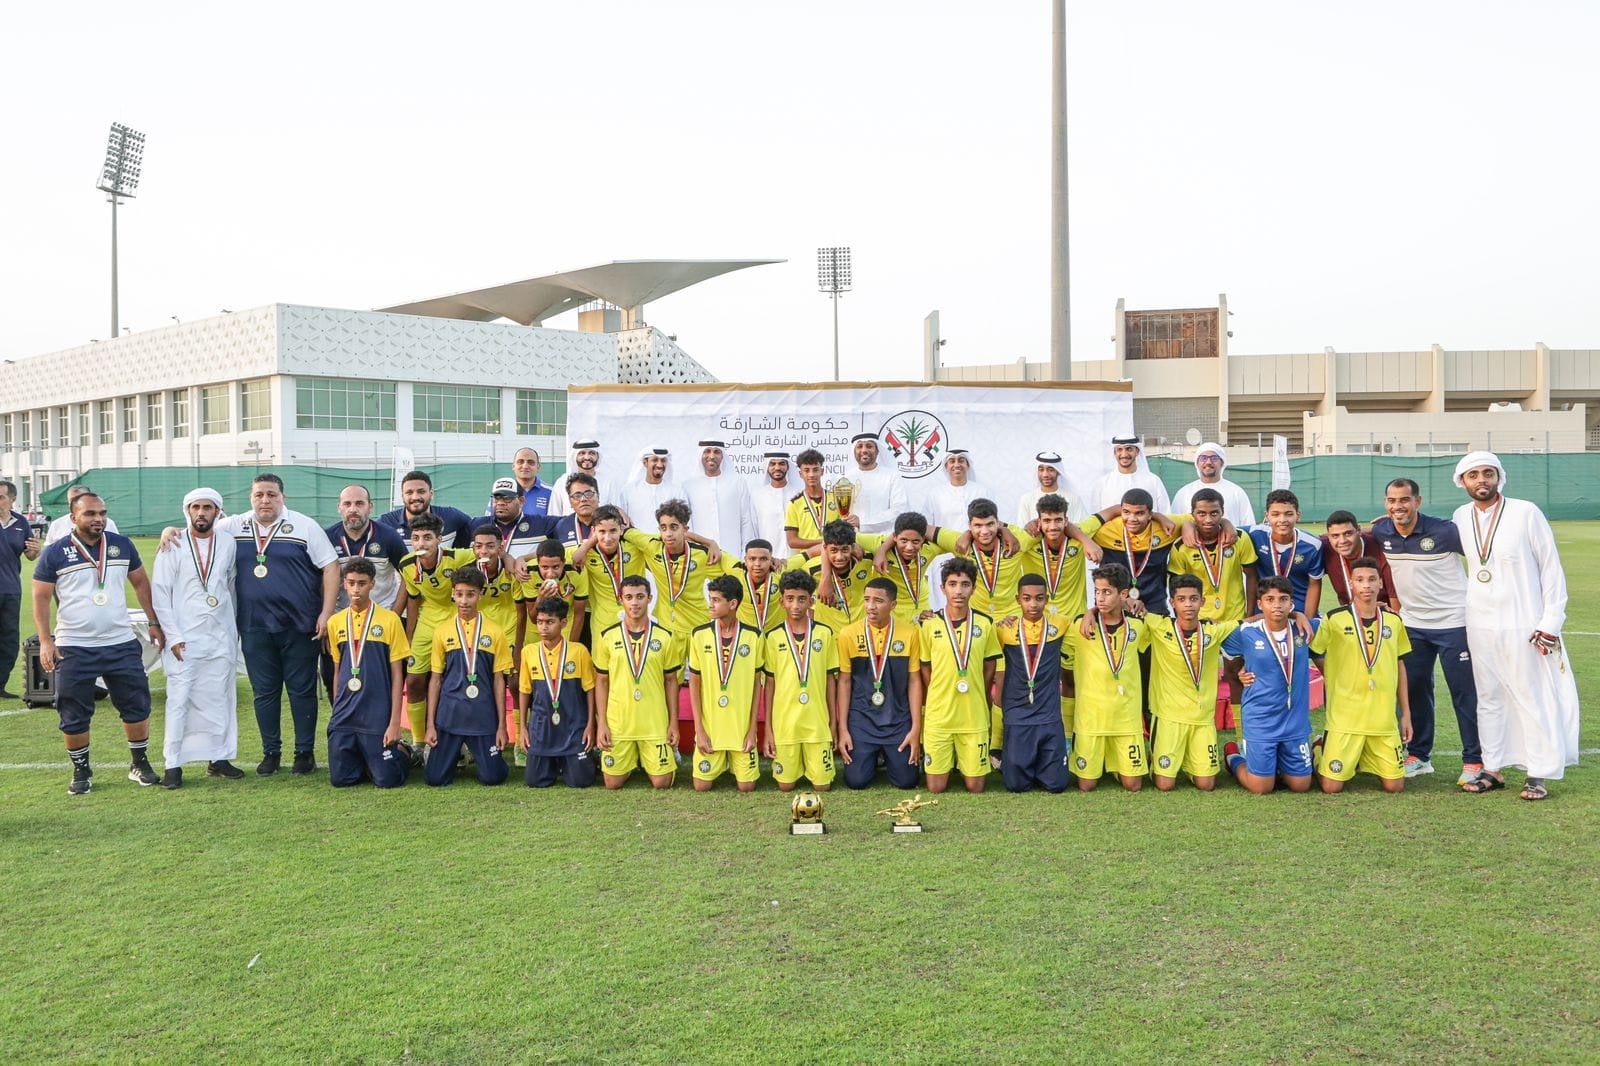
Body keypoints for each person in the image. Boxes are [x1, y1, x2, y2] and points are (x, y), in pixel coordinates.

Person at [1451, 452, 1579, 801]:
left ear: (1498, 477)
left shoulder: (1526, 512)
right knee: (1489, 697)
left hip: (1525, 622)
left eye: (1488, 474)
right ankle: (1492, 768)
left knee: (1530, 696)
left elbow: (1551, 569)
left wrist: (1550, 622)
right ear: (1462, 481)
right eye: (1473, 475)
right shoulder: (1460, 517)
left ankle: (1538, 773)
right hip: (1479, 622)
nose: (1481, 481)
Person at [205, 474, 339, 777]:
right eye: (259, 495)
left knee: (301, 690)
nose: (265, 500)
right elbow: (198, 533)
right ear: (251, 498)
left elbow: (330, 566)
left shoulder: (305, 526)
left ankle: (304, 752)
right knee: (264, 692)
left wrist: (326, 613)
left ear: (283, 498)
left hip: (300, 624)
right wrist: (171, 530)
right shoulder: (232, 527)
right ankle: (271, 752)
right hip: (253, 625)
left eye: (272, 495)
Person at [32, 492, 164, 795]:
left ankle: (139, 763)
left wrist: (154, 622)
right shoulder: (55, 552)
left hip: (120, 642)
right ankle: (81, 770)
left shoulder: (121, 545)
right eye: (90, 514)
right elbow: (40, 599)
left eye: (102, 513)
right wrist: (44, 640)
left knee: (136, 705)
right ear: (73, 517)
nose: (98, 519)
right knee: (73, 710)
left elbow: (141, 583)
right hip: (73, 645)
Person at [1371, 477, 1482, 783]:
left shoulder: (1445, 531)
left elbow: (1483, 553)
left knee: (1464, 693)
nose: (1398, 507)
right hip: (1412, 627)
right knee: (1415, 691)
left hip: (1454, 624)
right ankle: (1420, 756)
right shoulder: (1382, 531)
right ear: (1385, 504)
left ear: (1417, 502)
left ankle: (1475, 759)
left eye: (1404, 500)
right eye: (1392, 501)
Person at [151, 488, 243, 788]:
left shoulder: (228, 542)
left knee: (220, 697)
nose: (201, 513)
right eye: (195, 507)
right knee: (179, 700)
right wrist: (173, 635)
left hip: (220, 635)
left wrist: (232, 632)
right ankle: (172, 764)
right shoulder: (173, 543)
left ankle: (219, 758)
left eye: (208, 507)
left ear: (218, 511)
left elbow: (228, 585)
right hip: (184, 637)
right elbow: (161, 593)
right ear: (187, 511)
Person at [1309, 557, 1412, 794]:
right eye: (1360, 580)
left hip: (1382, 719)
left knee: (1395, 786)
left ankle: (1363, 757)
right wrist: (1334, 677)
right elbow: (1315, 651)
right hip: (1345, 718)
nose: (1366, 585)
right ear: (1351, 584)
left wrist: (1405, 713)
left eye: (1372, 580)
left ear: (1380, 585)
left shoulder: (1394, 621)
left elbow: (1400, 665)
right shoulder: (1334, 619)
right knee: (1331, 787)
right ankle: (1319, 748)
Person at [1221, 577, 1319, 794]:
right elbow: (1227, 653)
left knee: (1301, 786)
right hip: (1261, 719)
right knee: (1261, 788)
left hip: (1294, 721)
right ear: (1260, 603)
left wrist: (1298, 615)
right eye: (1270, 599)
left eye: (1283, 599)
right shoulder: (1246, 631)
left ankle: (1313, 750)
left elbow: (1338, 624)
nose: (1277, 605)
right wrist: (1239, 671)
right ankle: (1233, 756)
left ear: (1291, 603)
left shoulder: (1305, 628)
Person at [1145, 575, 1237, 792]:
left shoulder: (1213, 631)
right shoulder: (1158, 626)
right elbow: (1119, 608)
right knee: (1165, 785)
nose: (1188, 604)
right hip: (1168, 717)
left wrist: (1295, 613)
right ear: (1172, 602)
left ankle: (1215, 756)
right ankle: (1154, 759)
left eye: (1194, 599)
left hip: (1202, 719)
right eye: (1182, 599)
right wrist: (1092, 612)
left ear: (1202, 601)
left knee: (1206, 785)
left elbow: (1249, 622)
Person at [325, 559, 412, 788]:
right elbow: (337, 671)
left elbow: (397, 676)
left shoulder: (390, 620)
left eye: (362, 583)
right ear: (344, 583)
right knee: (341, 780)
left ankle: (404, 751)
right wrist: (336, 713)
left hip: (376, 713)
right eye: (351, 583)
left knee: (387, 780)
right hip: (346, 714)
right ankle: (365, 757)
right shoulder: (335, 622)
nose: (356, 589)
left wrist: (394, 723)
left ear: (372, 584)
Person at [1067, 563, 1152, 792]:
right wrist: (1090, 612)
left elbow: (1171, 629)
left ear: (1123, 594)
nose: (1100, 598)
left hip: (1126, 717)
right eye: (1097, 591)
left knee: (1133, 786)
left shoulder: (1139, 626)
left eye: (1107, 592)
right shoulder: (1080, 626)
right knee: (1086, 785)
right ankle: (1106, 761)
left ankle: (1116, 762)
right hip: (1091, 717)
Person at [399, 513, 479, 754]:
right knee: (413, 681)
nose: (421, 543)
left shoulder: (457, 557)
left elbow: (487, 552)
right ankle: (418, 741)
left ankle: (462, 741)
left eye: (427, 538)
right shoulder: (407, 564)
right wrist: (410, 637)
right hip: (426, 622)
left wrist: (509, 560)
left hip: (454, 620)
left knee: (453, 682)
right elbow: (413, 601)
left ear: (439, 539)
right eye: (416, 538)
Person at [425, 568, 512, 787]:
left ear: (480, 595)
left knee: (493, 777)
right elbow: (435, 680)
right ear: (452, 594)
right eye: (460, 594)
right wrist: (430, 725)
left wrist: (501, 726)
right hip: (450, 716)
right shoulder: (442, 631)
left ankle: (479, 754)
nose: (464, 601)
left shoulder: (495, 632)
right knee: (435, 779)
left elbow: (499, 681)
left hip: (482, 716)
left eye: (470, 594)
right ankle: (455, 753)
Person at [918, 557, 999, 794]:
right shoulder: (929, 624)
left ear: (973, 588)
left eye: (965, 584)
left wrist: (980, 692)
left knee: (975, 787)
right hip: (939, 715)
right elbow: (925, 667)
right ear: (942, 588)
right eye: (952, 584)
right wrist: (937, 691)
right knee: (935, 787)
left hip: (973, 716)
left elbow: (990, 664)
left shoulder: (984, 623)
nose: (958, 591)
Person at [593, 575, 682, 789]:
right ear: (620, 599)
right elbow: (602, 682)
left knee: (663, 783)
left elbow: (671, 682)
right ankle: (634, 759)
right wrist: (602, 723)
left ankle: (645, 757)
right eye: (629, 597)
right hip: (619, 722)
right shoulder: (607, 637)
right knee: (612, 783)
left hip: (654, 722)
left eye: (640, 597)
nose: (635, 603)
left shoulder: (665, 637)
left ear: (649, 599)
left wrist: (673, 722)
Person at [835, 578, 923, 790]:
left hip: (897, 719)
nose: (871, 606)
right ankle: (872, 755)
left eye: (878, 601)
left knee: (907, 781)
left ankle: (887, 754)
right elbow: (844, 682)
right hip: (862, 719)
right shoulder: (848, 634)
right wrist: (843, 729)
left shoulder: (910, 633)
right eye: (866, 600)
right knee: (856, 781)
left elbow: (914, 681)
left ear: (893, 605)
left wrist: (916, 728)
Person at [761, 569, 840, 792]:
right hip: (785, 724)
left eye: (802, 599)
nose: (796, 605)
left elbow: (830, 681)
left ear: (811, 601)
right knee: (786, 786)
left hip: (817, 723)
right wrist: (768, 729)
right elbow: (770, 685)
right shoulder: (773, 637)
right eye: (790, 599)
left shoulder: (825, 634)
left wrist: (832, 724)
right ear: (781, 602)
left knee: (822, 786)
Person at [993, 574, 1072, 793]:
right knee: (1016, 785)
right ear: (1018, 599)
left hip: (1048, 714)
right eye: (1027, 598)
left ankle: (1039, 763)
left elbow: (1086, 619)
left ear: (1047, 599)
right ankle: (1010, 760)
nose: (1033, 604)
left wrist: (1092, 612)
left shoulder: (1061, 625)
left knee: (1057, 785)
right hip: (1018, 713)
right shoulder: (1003, 629)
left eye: (1039, 598)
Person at [685, 575, 764, 792]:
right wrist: (699, 731)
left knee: (747, 786)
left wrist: (752, 731)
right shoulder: (699, 635)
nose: (710, 604)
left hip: (740, 729)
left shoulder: (754, 636)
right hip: (711, 728)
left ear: (732, 604)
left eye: (716, 600)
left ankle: (737, 758)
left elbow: (757, 685)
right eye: (710, 599)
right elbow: (694, 683)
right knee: (701, 786)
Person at [518, 596, 597, 788]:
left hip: (572, 726)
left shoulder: (578, 651)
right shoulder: (528, 652)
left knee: (581, 781)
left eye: (550, 622)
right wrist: (523, 728)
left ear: (563, 623)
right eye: (540, 622)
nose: (544, 627)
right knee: (534, 781)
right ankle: (555, 762)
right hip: (542, 727)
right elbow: (524, 691)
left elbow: (590, 690)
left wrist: (590, 725)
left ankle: (577, 759)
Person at [619, 499, 725, 640]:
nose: (668, 533)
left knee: (698, 663)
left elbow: (734, 573)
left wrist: (710, 542)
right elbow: (624, 529)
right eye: (663, 528)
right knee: (670, 663)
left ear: (685, 530)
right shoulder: (652, 545)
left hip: (698, 624)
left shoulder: (702, 554)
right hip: (667, 626)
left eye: (674, 527)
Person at [1080, 490, 1184, 616]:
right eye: (1126, 512)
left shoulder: (1167, 526)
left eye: (1139, 513)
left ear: (1150, 514)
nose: (1132, 519)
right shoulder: (1105, 529)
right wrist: (1086, 541)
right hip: (1115, 607)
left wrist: (1188, 526)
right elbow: (1072, 529)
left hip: (1154, 607)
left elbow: (1198, 519)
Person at [1167, 488, 1257, 623]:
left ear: (1222, 513)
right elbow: (1175, 587)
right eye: (1201, 514)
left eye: (1214, 513)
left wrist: (1249, 616)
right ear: (1193, 514)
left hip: (1235, 618)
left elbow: (1251, 576)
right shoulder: (1181, 546)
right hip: (1199, 621)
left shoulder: (1239, 538)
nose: (1208, 519)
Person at [326, 484, 409, 611]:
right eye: (347, 504)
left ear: (370, 507)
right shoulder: (327, 538)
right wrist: (328, 613)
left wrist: (395, 614)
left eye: (359, 503)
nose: (353, 509)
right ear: (339, 507)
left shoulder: (389, 536)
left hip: (382, 616)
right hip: (342, 618)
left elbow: (408, 575)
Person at [1245, 489, 1324, 615]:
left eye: (1288, 514)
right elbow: (1226, 529)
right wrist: (1225, 523)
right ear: (1267, 516)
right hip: (1263, 613)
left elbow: (1314, 585)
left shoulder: (1312, 545)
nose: (1282, 520)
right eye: (1275, 514)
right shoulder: (1254, 534)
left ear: (1298, 515)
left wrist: (1309, 620)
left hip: (1299, 612)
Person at [566, 506, 643, 636]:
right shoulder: (584, 552)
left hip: (636, 624)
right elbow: (549, 555)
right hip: (602, 627)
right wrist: (523, 559)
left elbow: (666, 541)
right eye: (602, 532)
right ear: (594, 532)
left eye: (613, 531)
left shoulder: (637, 548)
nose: (607, 538)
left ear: (621, 529)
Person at [0, 478, 42, 701]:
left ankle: (0, 684)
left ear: (13, 499)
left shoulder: (21, 523)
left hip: (10, 590)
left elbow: (30, 555)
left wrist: (36, 550)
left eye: (1, 497)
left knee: (8, 639)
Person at [790, 519, 871, 634]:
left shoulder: (867, 561)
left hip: (861, 633)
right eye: (833, 550)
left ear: (852, 547)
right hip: (830, 634)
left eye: (845, 550)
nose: (839, 557)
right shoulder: (811, 569)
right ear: (825, 549)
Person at [683, 439, 757, 557]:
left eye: (716, 452)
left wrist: (746, 554)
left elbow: (746, 520)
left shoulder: (737, 482)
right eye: (707, 451)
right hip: (701, 554)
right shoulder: (688, 485)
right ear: (700, 455)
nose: (711, 456)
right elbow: (687, 525)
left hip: (732, 554)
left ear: (722, 456)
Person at [1320, 510, 1399, 612]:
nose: (1342, 541)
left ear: (1358, 530)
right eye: (1335, 536)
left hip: (1385, 615)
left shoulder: (1380, 546)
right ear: (1328, 536)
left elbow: (1396, 604)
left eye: (1348, 533)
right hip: (1351, 617)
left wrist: (1397, 520)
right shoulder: (1324, 548)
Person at [378, 470, 475, 548]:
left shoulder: (452, 517)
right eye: (409, 492)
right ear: (402, 496)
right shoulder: (385, 523)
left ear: (431, 494)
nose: (415, 497)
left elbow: (476, 529)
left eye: (421, 491)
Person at [1170, 442, 1255, 526]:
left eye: (1214, 458)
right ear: (1197, 463)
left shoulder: (1236, 492)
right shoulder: (1184, 493)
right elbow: (1175, 524)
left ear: (1222, 463)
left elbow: (1248, 525)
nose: (1208, 462)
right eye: (1203, 458)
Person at [845, 432, 909, 534]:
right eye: (859, 446)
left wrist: (863, 523)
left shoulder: (892, 476)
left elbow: (898, 511)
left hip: (885, 540)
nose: (864, 450)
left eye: (869, 446)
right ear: (854, 451)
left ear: (877, 451)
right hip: (851, 541)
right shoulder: (845, 478)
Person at [1091, 435, 1171, 513]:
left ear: (1137, 451)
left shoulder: (1153, 481)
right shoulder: (1102, 484)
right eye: (1119, 449)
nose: (1124, 454)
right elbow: (1095, 517)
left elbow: (1166, 514)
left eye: (1129, 449)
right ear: (1115, 453)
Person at [471, 478, 546, 560]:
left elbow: (558, 549)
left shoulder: (540, 524)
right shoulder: (476, 525)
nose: (500, 503)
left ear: (521, 501)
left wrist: (524, 558)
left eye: (507, 498)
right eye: (496, 498)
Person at [784, 449, 842, 552]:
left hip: (834, 557)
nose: (811, 474)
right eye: (806, 470)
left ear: (822, 471)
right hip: (808, 561)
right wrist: (824, 542)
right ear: (800, 474)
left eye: (815, 470)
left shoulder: (835, 499)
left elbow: (845, 529)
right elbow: (792, 541)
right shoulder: (795, 504)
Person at [921, 449, 988, 530]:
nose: (957, 465)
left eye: (961, 461)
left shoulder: (982, 491)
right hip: (943, 542)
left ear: (968, 465)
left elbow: (992, 522)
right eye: (952, 461)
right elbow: (926, 526)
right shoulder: (935, 494)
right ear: (946, 467)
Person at [1015, 451, 1084, 526]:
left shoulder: (1073, 498)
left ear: (1058, 472)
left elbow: (1079, 528)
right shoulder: (1026, 499)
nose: (1045, 475)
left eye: (1050, 470)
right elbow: (1022, 530)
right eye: (1041, 470)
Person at [621, 446, 681, 528]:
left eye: (663, 460)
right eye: (655, 460)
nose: (660, 465)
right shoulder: (628, 491)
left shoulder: (677, 491)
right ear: (645, 463)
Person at [732, 539, 783, 634]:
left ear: (771, 560)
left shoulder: (780, 570)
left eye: (763, 559)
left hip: (775, 637)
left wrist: (821, 581)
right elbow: (710, 551)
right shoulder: (735, 570)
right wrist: (711, 543)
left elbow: (813, 551)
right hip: (746, 638)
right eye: (752, 559)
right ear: (745, 560)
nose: (757, 564)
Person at [750, 451, 794, 561]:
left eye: (781, 464)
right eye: (772, 464)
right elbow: (754, 528)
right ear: (767, 467)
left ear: (788, 467)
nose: (777, 467)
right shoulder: (757, 496)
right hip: (768, 558)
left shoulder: (798, 493)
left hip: (795, 557)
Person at [44, 485, 121, 544]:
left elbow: (117, 546)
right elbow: (49, 550)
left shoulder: (108, 523)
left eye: (80, 499)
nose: (76, 503)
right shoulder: (56, 525)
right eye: (72, 500)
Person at [549, 439, 606, 515]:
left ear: (598, 456)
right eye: (582, 453)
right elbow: (554, 513)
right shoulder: (562, 482)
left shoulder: (608, 482)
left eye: (592, 453)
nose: (587, 457)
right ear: (574, 456)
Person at [508, 447, 553, 517]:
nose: (525, 466)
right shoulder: (502, 491)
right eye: (520, 462)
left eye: (531, 462)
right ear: (513, 466)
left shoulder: (552, 492)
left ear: (538, 467)